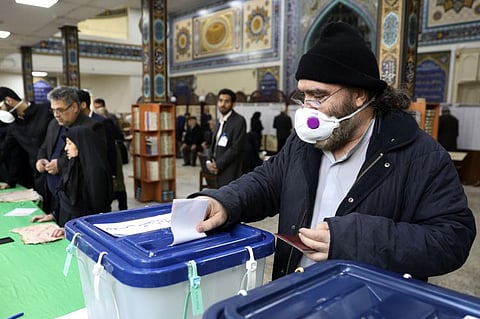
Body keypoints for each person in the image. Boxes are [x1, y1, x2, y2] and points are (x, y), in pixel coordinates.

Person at [190, 22, 476, 281]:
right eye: (304, 95)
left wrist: (356, 239)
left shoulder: (420, 156)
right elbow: (267, 182)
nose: (307, 108)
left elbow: (452, 238)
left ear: (359, 94)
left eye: (319, 96)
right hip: (295, 290)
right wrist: (224, 202)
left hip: (368, 311)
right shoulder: (303, 143)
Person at [35, 86, 106, 217]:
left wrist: (60, 165)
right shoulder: (53, 124)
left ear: (74, 107)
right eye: (54, 110)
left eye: (60, 110)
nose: (56, 115)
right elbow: (45, 147)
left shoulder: (91, 128)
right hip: (57, 196)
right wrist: (41, 159)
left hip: (78, 200)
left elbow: (92, 165)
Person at [36, 126, 113, 238]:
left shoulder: (95, 171)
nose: (66, 148)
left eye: (69, 143)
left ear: (81, 144)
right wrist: (54, 215)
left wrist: (73, 228)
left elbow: (94, 210)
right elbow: (66, 196)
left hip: (83, 233)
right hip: (66, 226)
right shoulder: (73, 164)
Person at [0, 87, 52, 208]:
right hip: (35, 175)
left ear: (8, 101)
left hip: (53, 168)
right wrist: (10, 181)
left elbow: (37, 144)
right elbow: (5, 149)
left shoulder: (45, 110)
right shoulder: (14, 123)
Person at [79, 90, 127, 210]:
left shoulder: (102, 121)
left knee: (117, 188)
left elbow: (111, 146)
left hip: (109, 160)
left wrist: (113, 174)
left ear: (83, 105)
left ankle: (123, 210)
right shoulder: (78, 123)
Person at [205, 88, 246, 187]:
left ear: (233, 104)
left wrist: (218, 165)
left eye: (226, 101)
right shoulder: (220, 120)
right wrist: (209, 160)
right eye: (220, 101)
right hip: (216, 170)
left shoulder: (239, 121)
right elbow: (213, 143)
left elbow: (235, 148)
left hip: (230, 171)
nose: (222, 104)